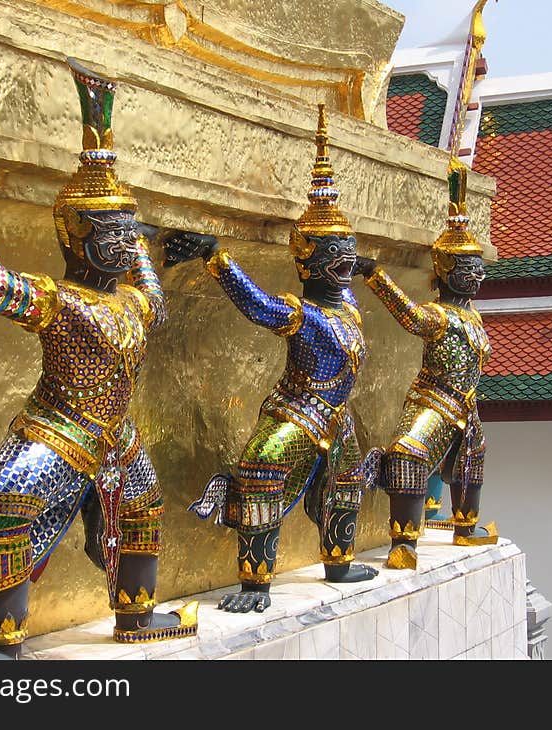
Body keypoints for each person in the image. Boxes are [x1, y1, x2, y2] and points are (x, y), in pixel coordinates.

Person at [0, 58, 197, 657]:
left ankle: (136, 615)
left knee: (144, 503)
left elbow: (153, 293)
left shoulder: (133, 301)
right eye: (111, 233)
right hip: (57, 430)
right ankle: (0, 643)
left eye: (127, 233)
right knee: (0, 505)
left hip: (117, 438)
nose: (123, 244)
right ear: (73, 236)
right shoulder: (56, 299)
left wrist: (141, 237)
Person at [170, 104, 378, 614]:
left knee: (345, 485)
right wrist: (215, 257)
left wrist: (375, 274)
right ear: (309, 265)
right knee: (261, 473)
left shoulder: (347, 306)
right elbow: (257, 305)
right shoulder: (303, 312)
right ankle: (255, 584)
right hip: (296, 414)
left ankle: (338, 559)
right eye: (338, 260)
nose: (346, 267)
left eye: (349, 259)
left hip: (337, 417)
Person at [356, 158, 497, 571]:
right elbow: (409, 317)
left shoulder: (473, 316)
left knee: (473, 458)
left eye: (479, 269)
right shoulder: (438, 315)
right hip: (434, 401)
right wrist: (376, 275)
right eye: (468, 269)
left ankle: (465, 526)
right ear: (446, 270)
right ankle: (404, 541)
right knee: (407, 455)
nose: (475, 277)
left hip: (465, 404)